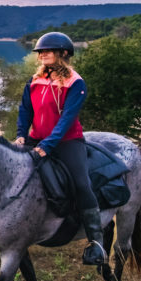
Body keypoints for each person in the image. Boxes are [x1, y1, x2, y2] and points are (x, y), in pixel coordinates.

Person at [14, 32, 106, 265]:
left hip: (67, 142)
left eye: (48, 50)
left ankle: (96, 243)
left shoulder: (76, 83)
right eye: (40, 52)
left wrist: (48, 145)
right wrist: (21, 136)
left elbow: (66, 120)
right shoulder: (34, 81)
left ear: (63, 53)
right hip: (36, 140)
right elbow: (25, 111)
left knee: (81, 184)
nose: (42, 54)